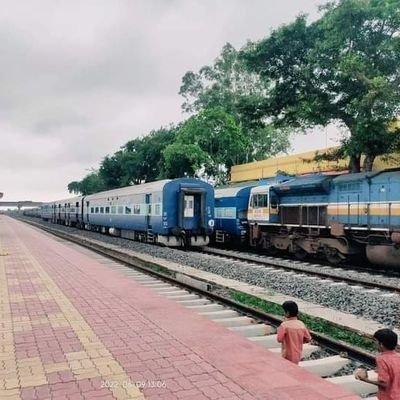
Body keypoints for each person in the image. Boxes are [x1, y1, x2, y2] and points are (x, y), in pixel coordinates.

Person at [355, 328, 400, 400]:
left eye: (375, 341)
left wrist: (365, 379)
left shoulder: (382, 359)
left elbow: (384, 384)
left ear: (381, 344)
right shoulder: (398, 356)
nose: (374, 343)